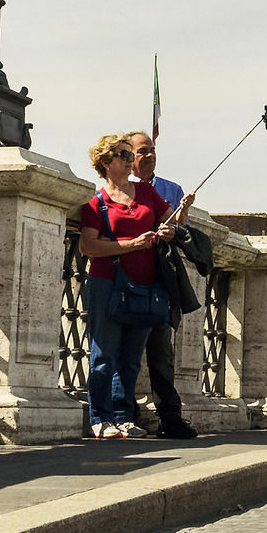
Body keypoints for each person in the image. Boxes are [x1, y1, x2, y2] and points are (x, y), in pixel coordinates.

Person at [75, 133, 186, 440]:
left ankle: (124, 418)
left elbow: (174, 223)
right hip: (107, 284)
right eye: (124, 155)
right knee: (103, 356)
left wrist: (170, 228)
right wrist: (131, 244)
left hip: (147, 286)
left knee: (131, 358)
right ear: (105, 163)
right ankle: (100, 418)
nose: (130, 160)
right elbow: (88, 246)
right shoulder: (96, 204)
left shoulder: (147, 194)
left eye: (129, 155)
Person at [124, 131, 200, 440]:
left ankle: (170, 416)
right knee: (126, 352)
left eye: (152, 149)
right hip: (129, 278)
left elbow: (182, 231)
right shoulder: (121, 188)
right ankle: (124, 414)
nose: (149, 155)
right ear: (129, 156)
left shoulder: (170, 189)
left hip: (161, 279)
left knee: (161, 353)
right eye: (143, 151)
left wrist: (180, 217)